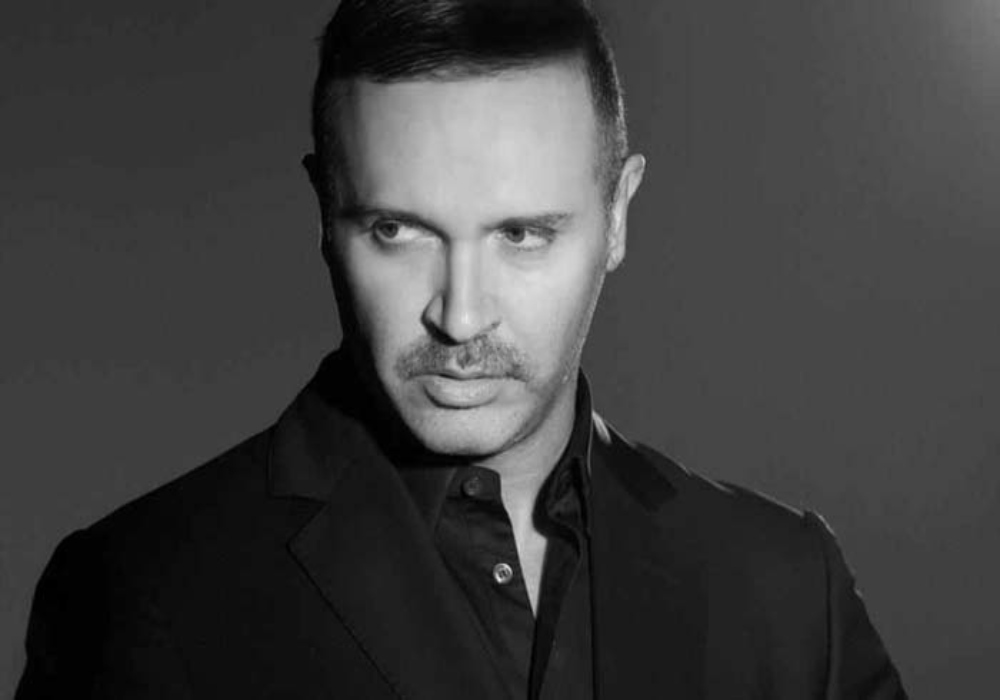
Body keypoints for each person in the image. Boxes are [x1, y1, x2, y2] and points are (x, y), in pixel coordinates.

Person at [16, 0, 908, 698]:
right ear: (324, 210)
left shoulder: (787, 589)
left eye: (522, 234)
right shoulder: (139, 592)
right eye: (397, 230)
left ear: (618, 216)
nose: (461, 316)